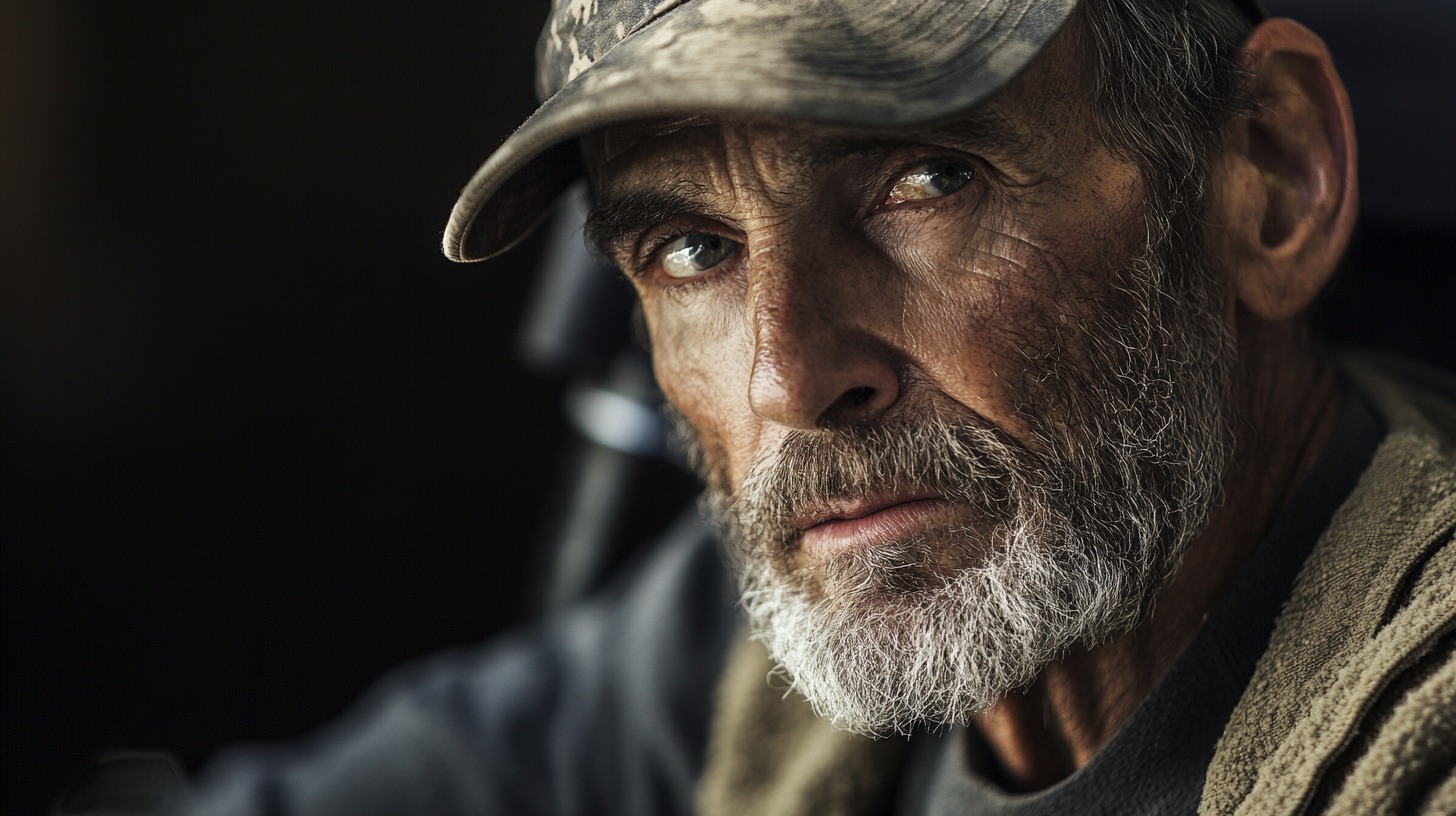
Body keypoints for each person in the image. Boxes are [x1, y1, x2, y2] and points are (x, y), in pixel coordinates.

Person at [63, 0, 1453, 813]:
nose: (791, 376)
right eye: (690, 250)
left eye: (923, 183)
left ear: (1267, 174)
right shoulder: (759, 647)